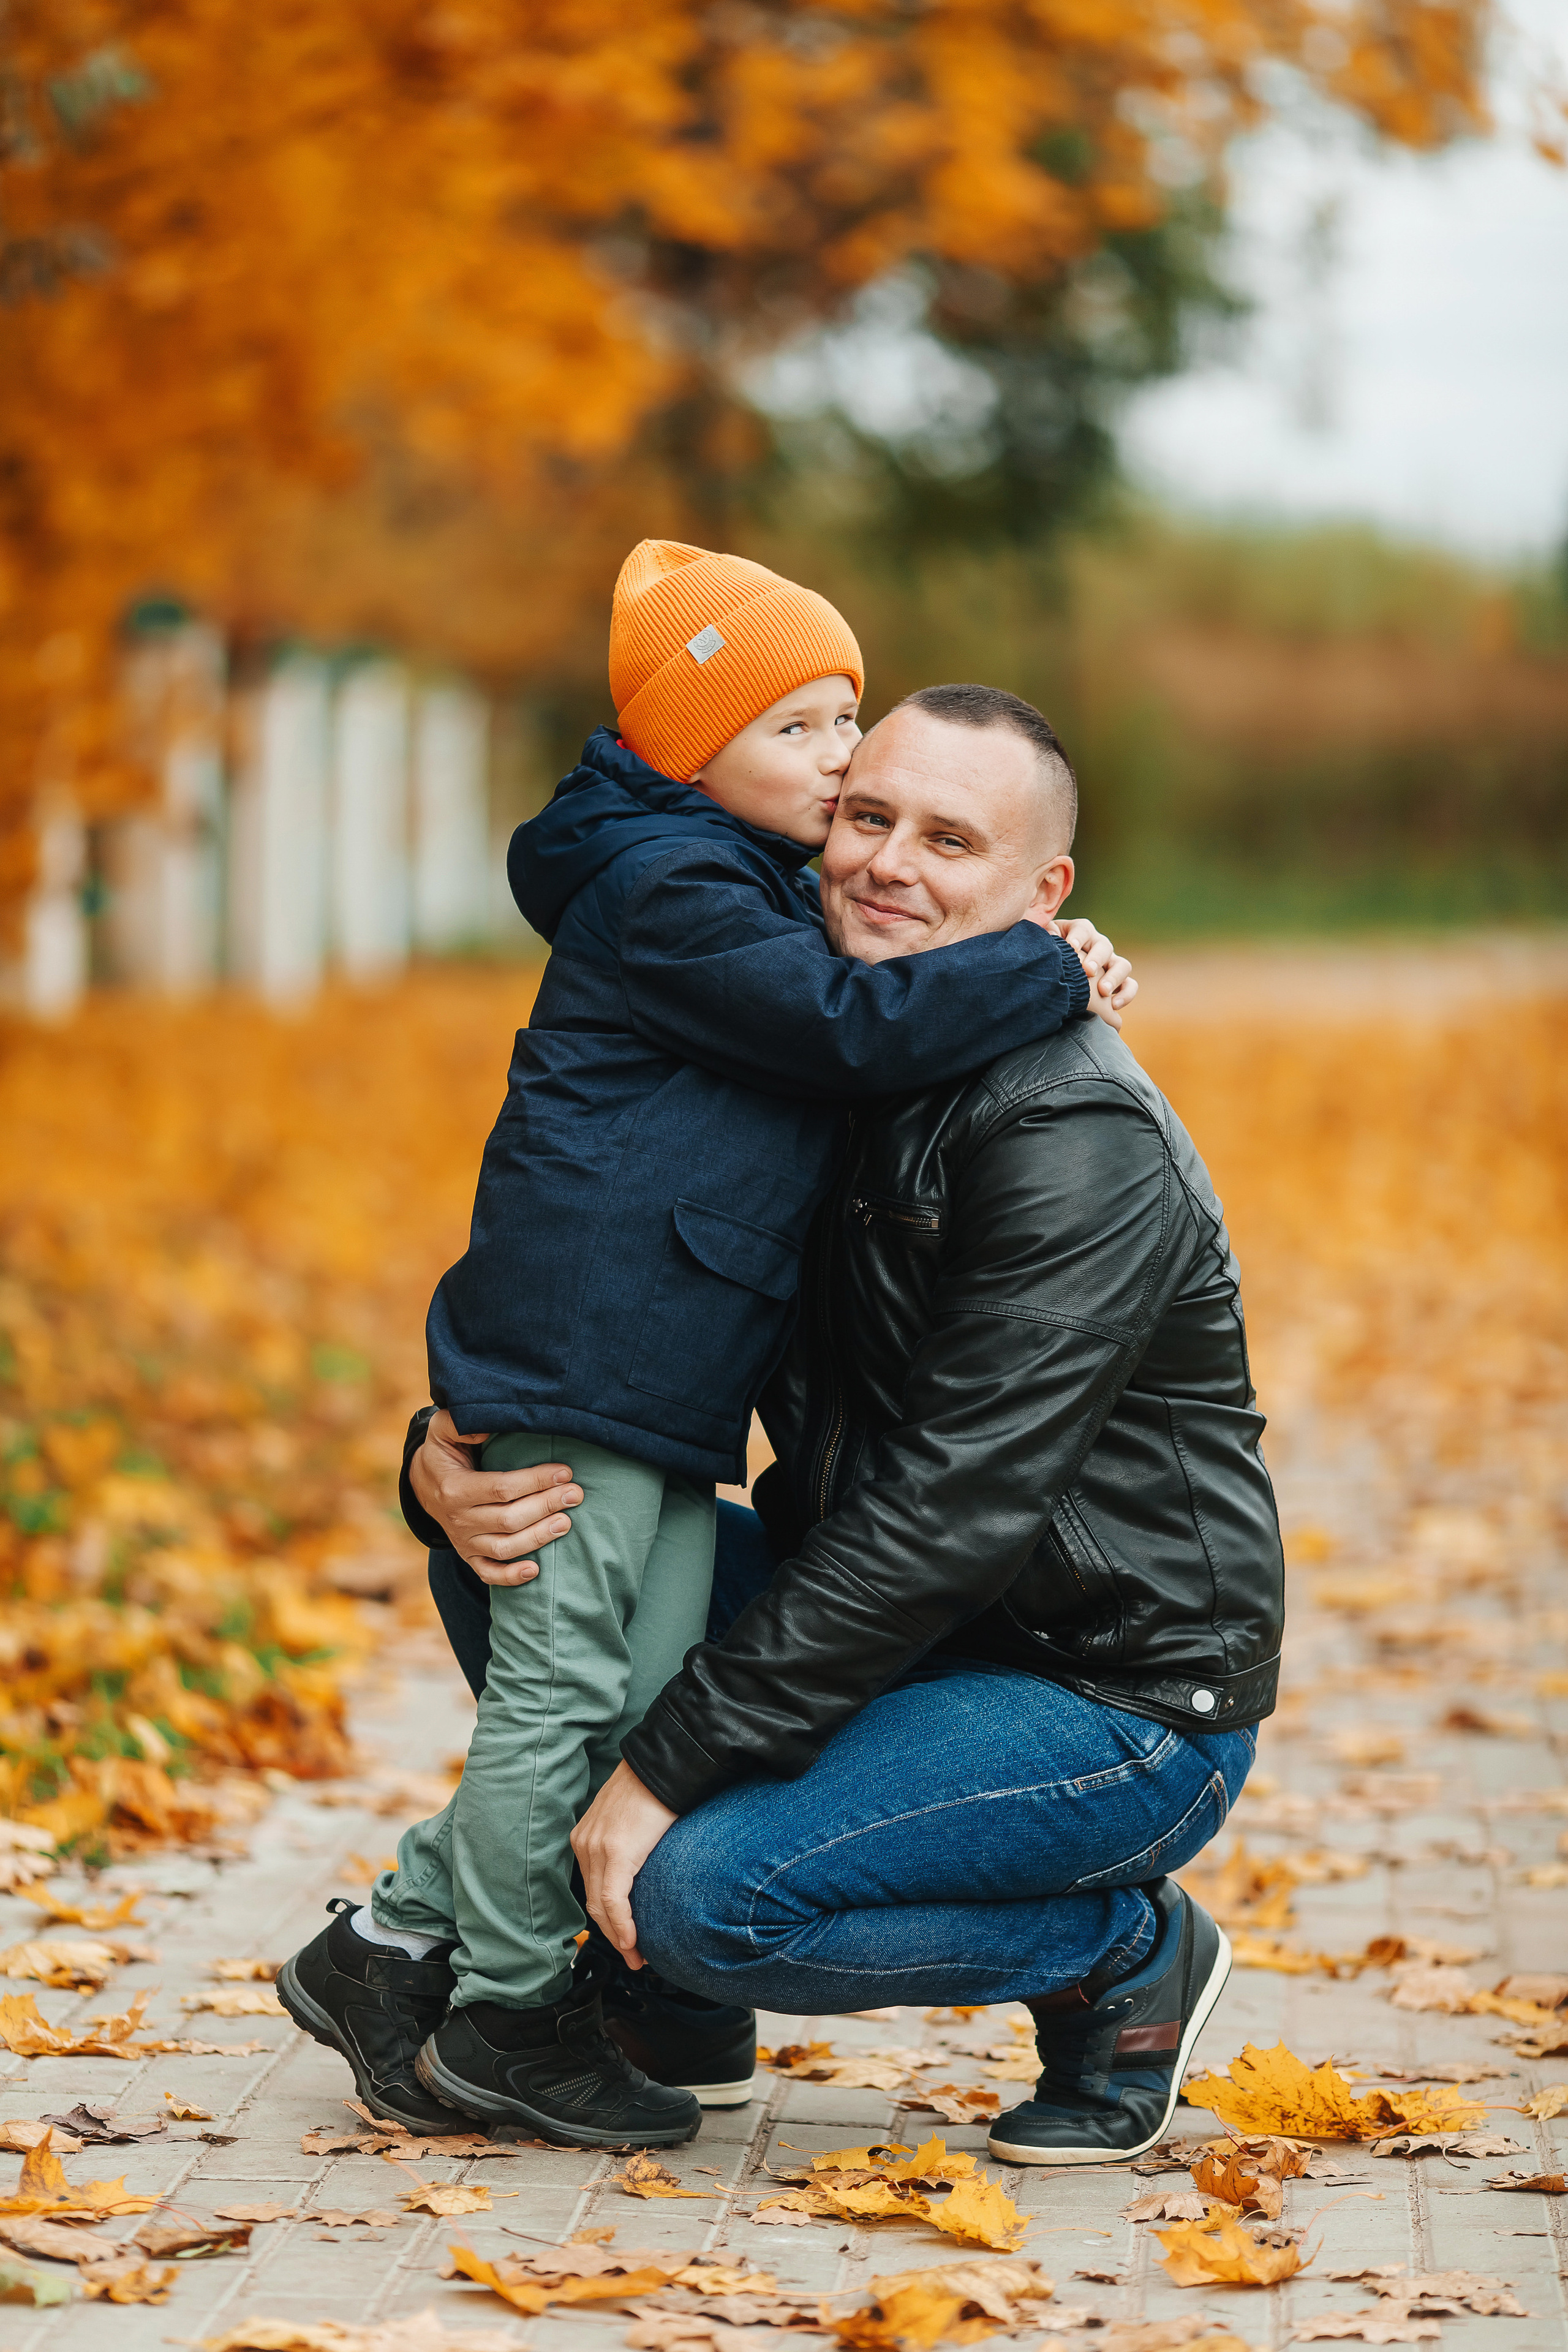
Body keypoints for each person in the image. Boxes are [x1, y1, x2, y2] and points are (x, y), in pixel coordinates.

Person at [277, 549, 1134, 2150]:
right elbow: (841, 1031)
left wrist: (1023, 952)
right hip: (593, 1372)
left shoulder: (744, 887)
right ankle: (511, 2019)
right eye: (806, 732)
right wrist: (1032, 965)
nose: (842, 768)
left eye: (849, 723)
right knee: (569, 1700)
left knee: (632, 1698)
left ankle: (391, 1939)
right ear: (691, 746)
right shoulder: (673, 892)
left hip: (654, 1396)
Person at [440, 684, 1285, 2167]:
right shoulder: (820, 1053)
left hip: (1105, 1690)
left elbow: (946, 1520)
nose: (887, 862)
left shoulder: (1069, 1137)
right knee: (530, 1540)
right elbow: (608, 1300)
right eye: (865, 815)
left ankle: (1117, 1953)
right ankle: (672, 2011)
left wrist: (658, 1773)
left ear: (1044, 894)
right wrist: (442, 1465)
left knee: (711, 1895)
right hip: (909, 1628)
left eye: (949, 840)